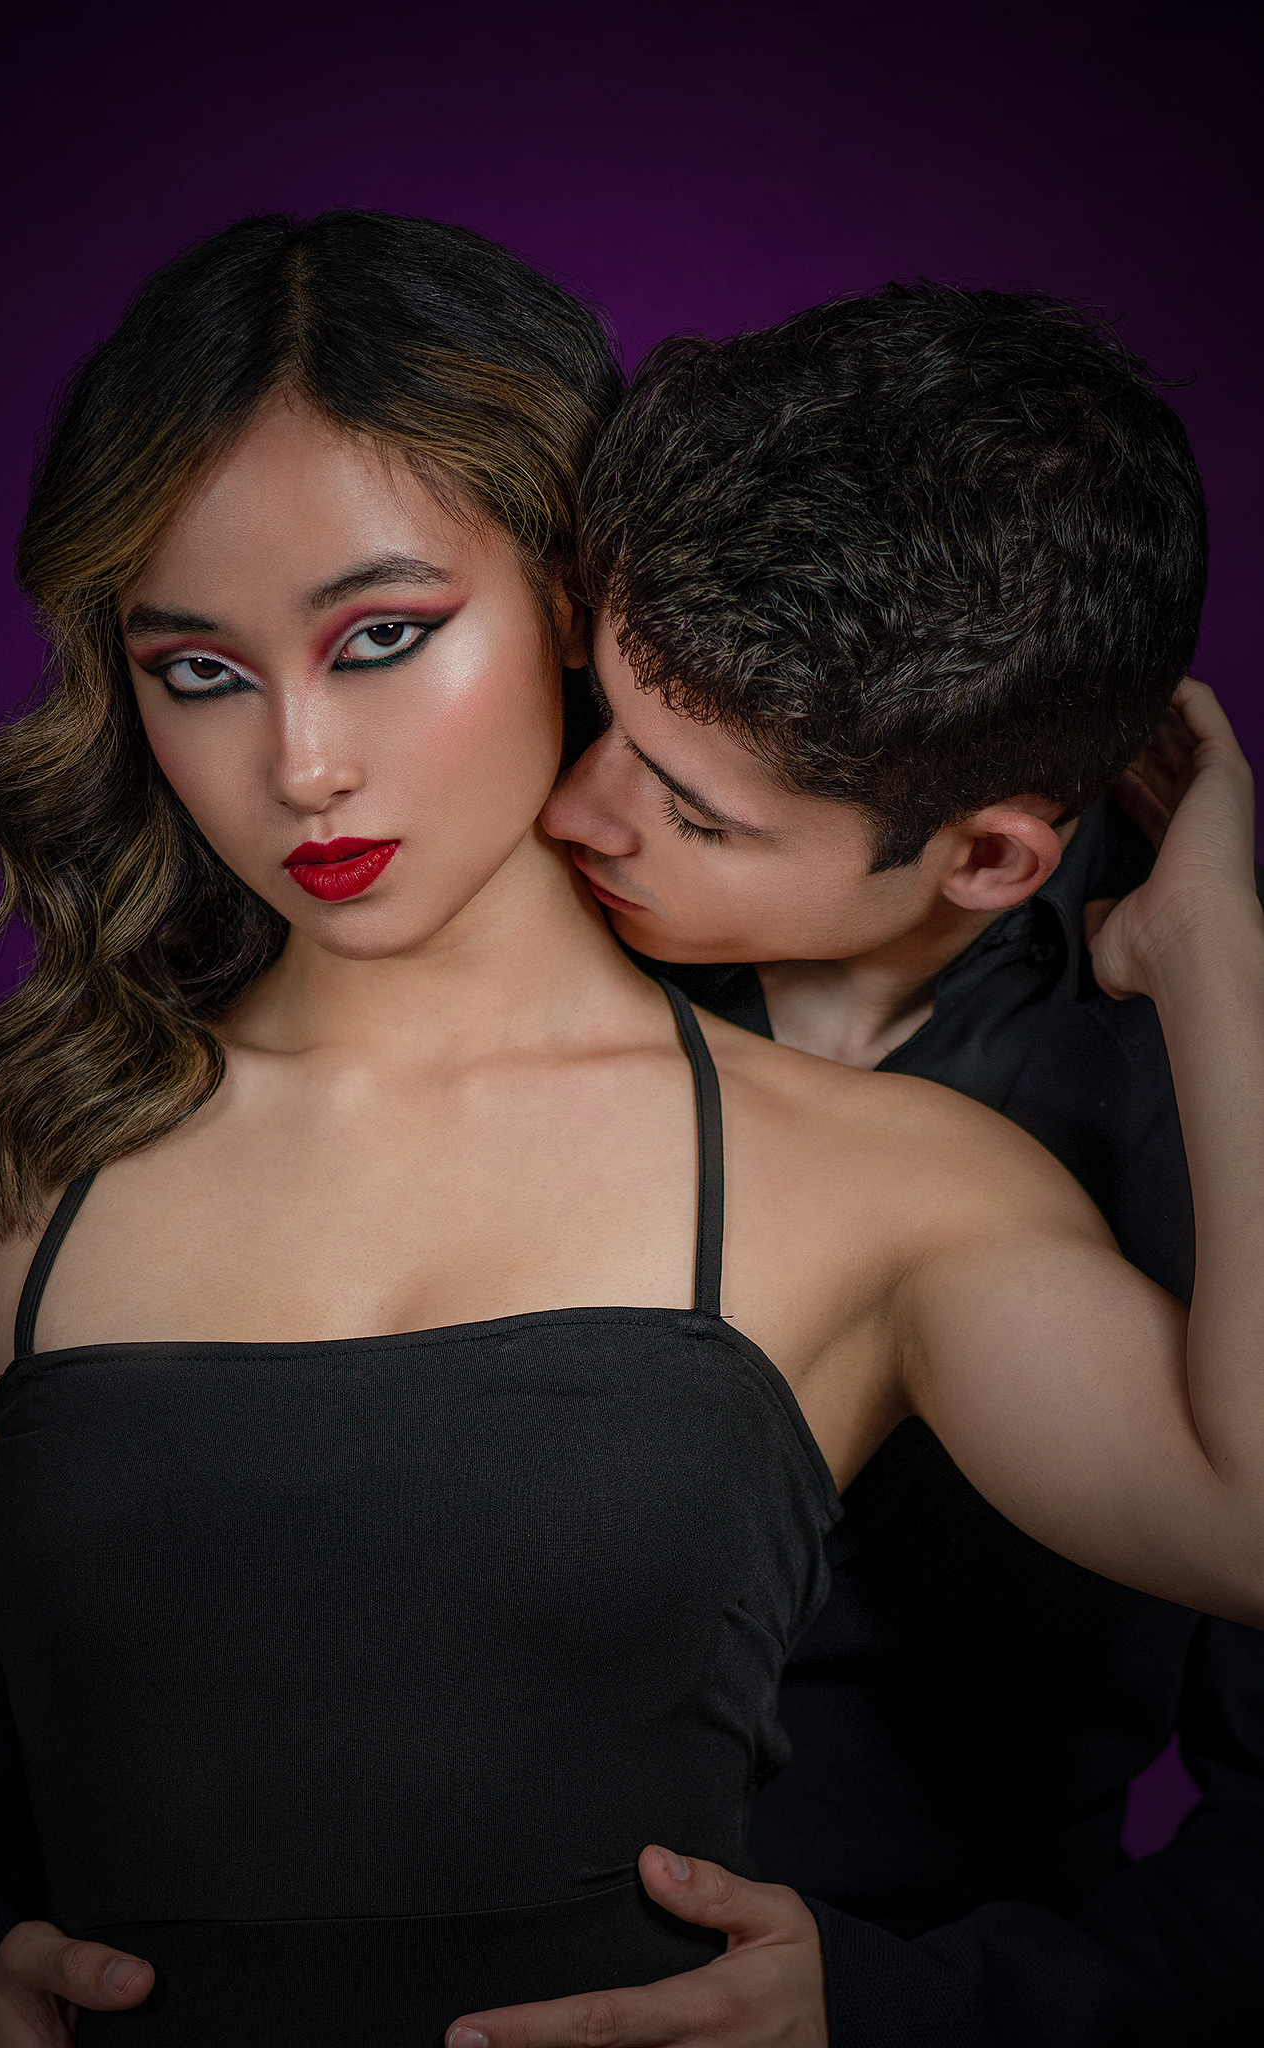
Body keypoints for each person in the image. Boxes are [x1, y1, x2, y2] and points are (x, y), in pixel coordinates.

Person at [0, 224, 1262, 2048]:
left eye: (384, 638)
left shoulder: (903, 1172)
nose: (300, 765)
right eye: (198, 670)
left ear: (565, 600)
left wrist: (1213, 948)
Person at [454, 292, 1264, 2048]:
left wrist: (913, 2010)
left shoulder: (1212, 1113)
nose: (573, 812)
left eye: (694, 810)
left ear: (987, 859)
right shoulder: (477, 917)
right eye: (597, 712)